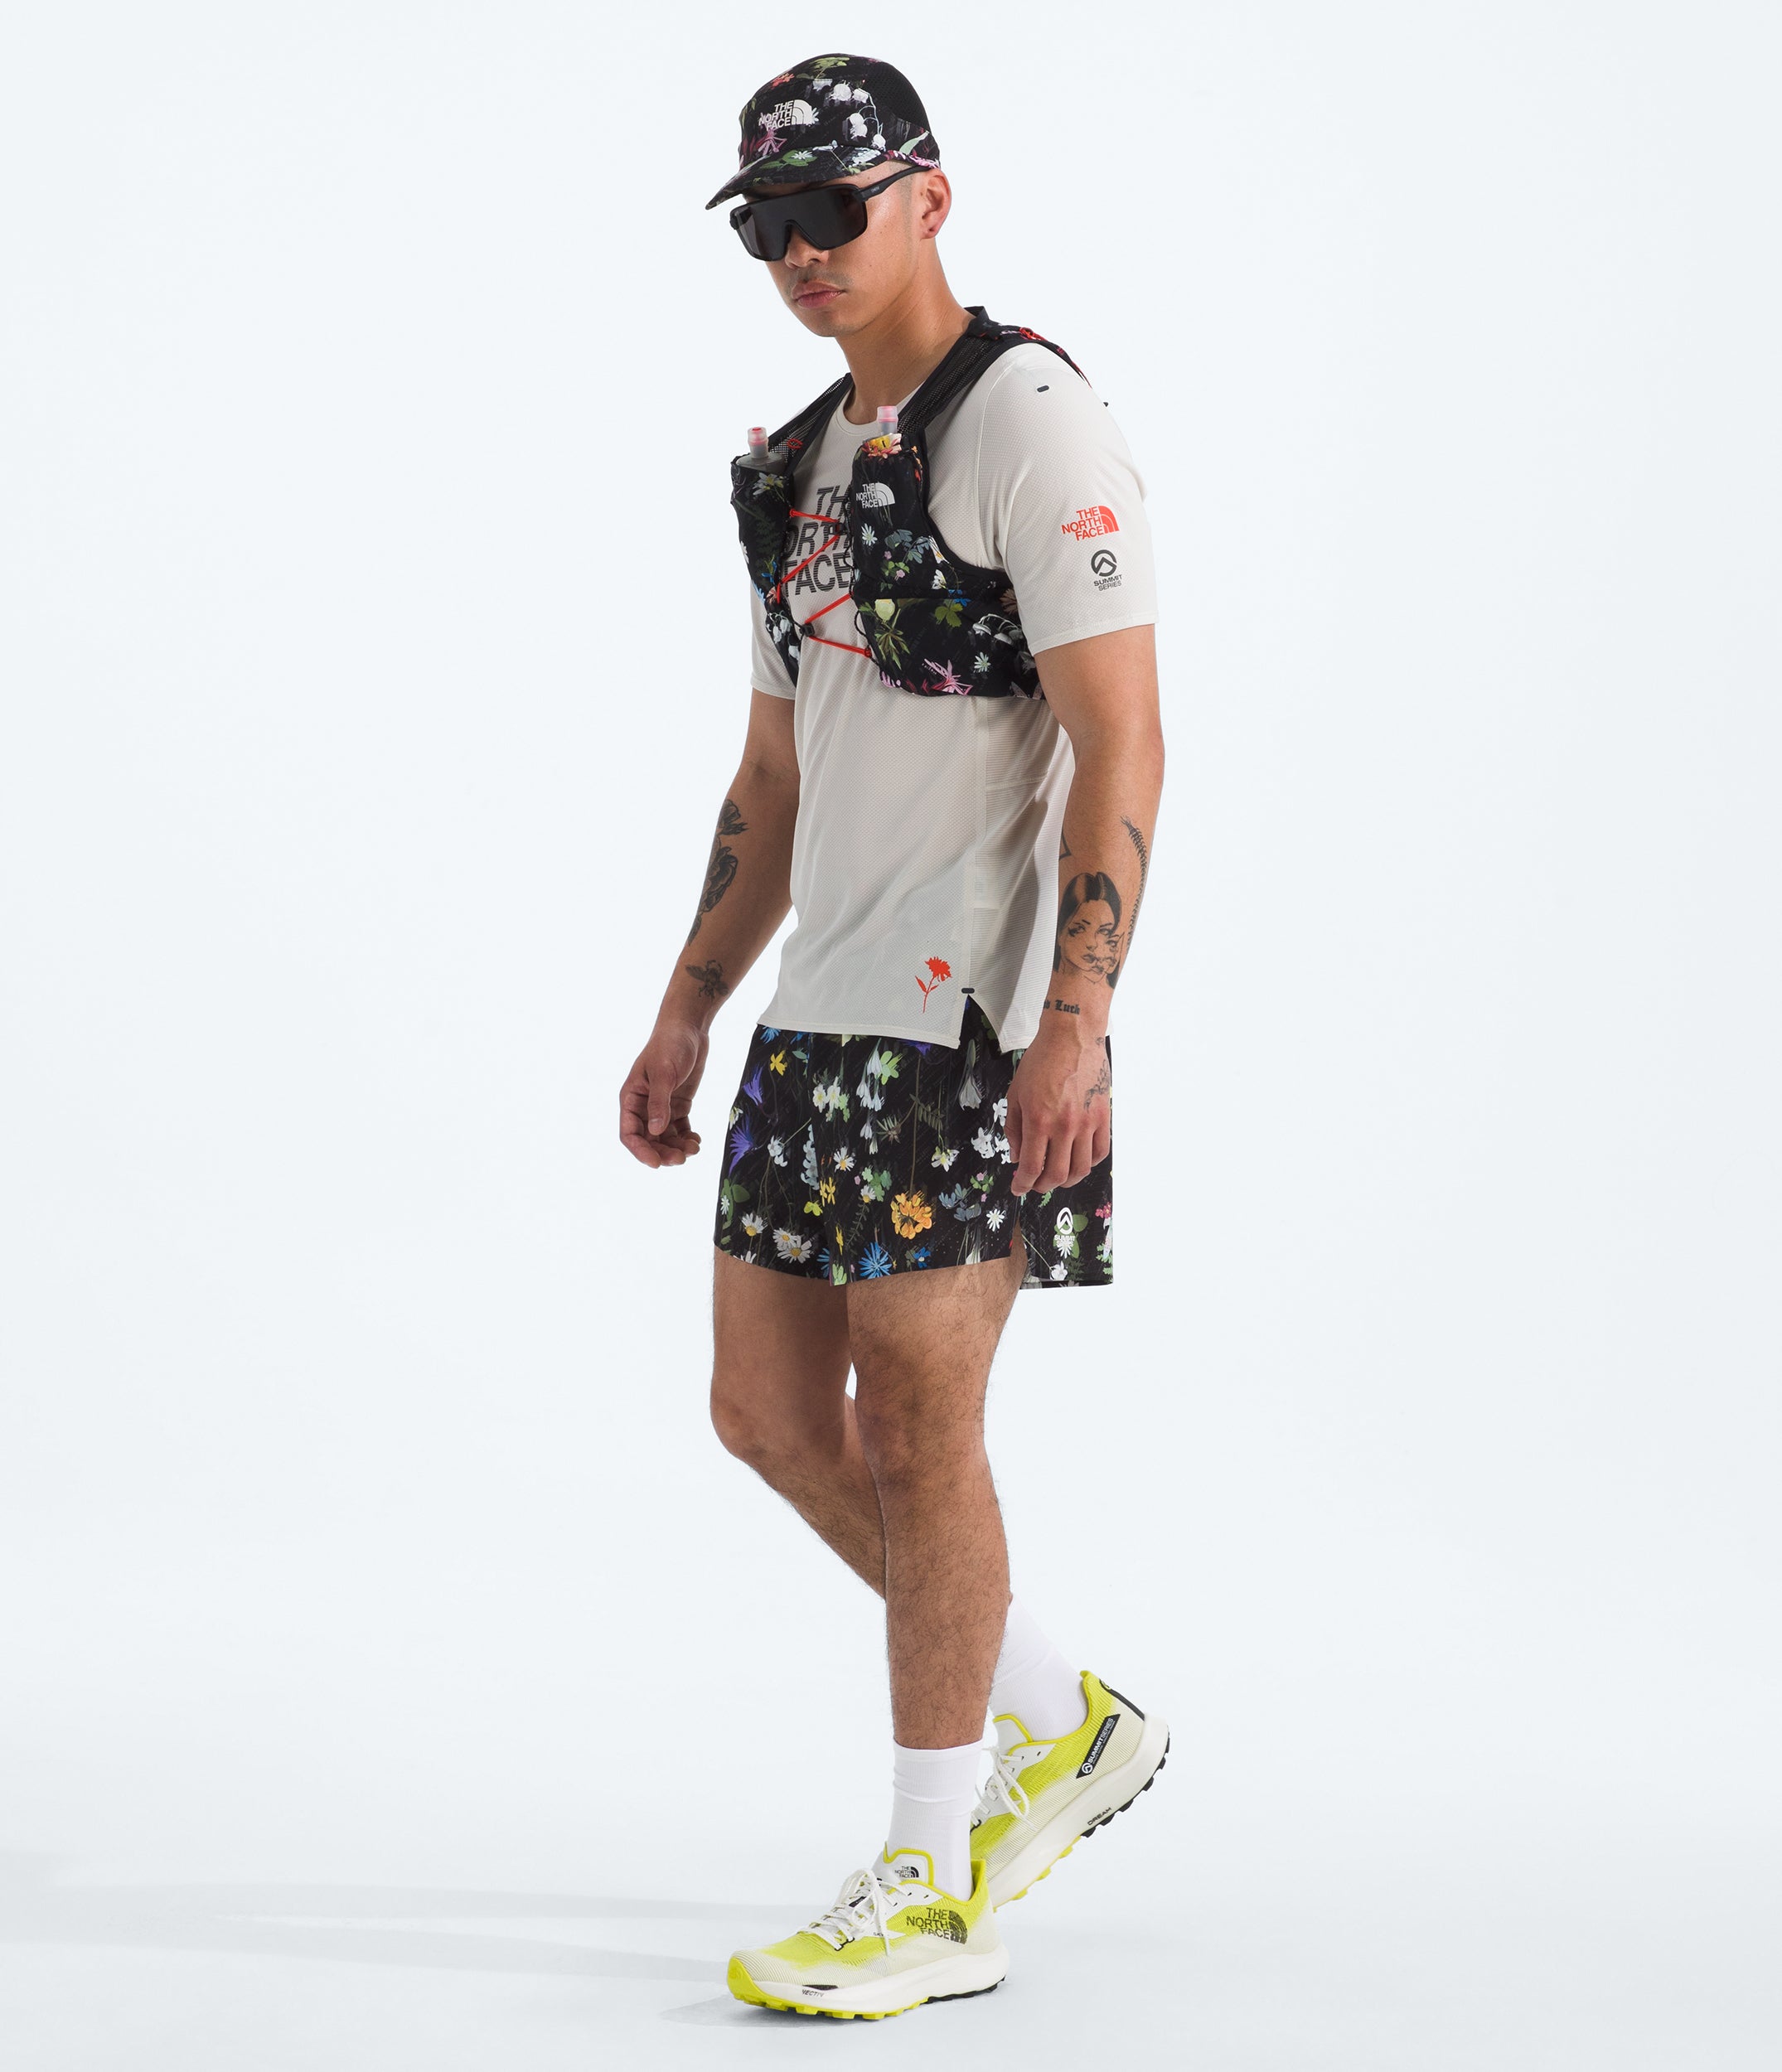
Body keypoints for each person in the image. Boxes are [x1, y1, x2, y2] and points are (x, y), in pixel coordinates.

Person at [619, 53, 1169, 2021]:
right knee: (766, 1416)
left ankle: (931, 1880)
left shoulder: (1028, 416)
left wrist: (1077, 1019)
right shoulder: (789, 466)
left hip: (968, 1018)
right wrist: (689, 1001)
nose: (798, 252)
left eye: (829, 209)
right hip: (817, 1015)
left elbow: (1124, 738)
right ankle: (1061, 1717)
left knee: (924, 1437)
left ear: (926, 198)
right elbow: (774, 768)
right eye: (765, 225)